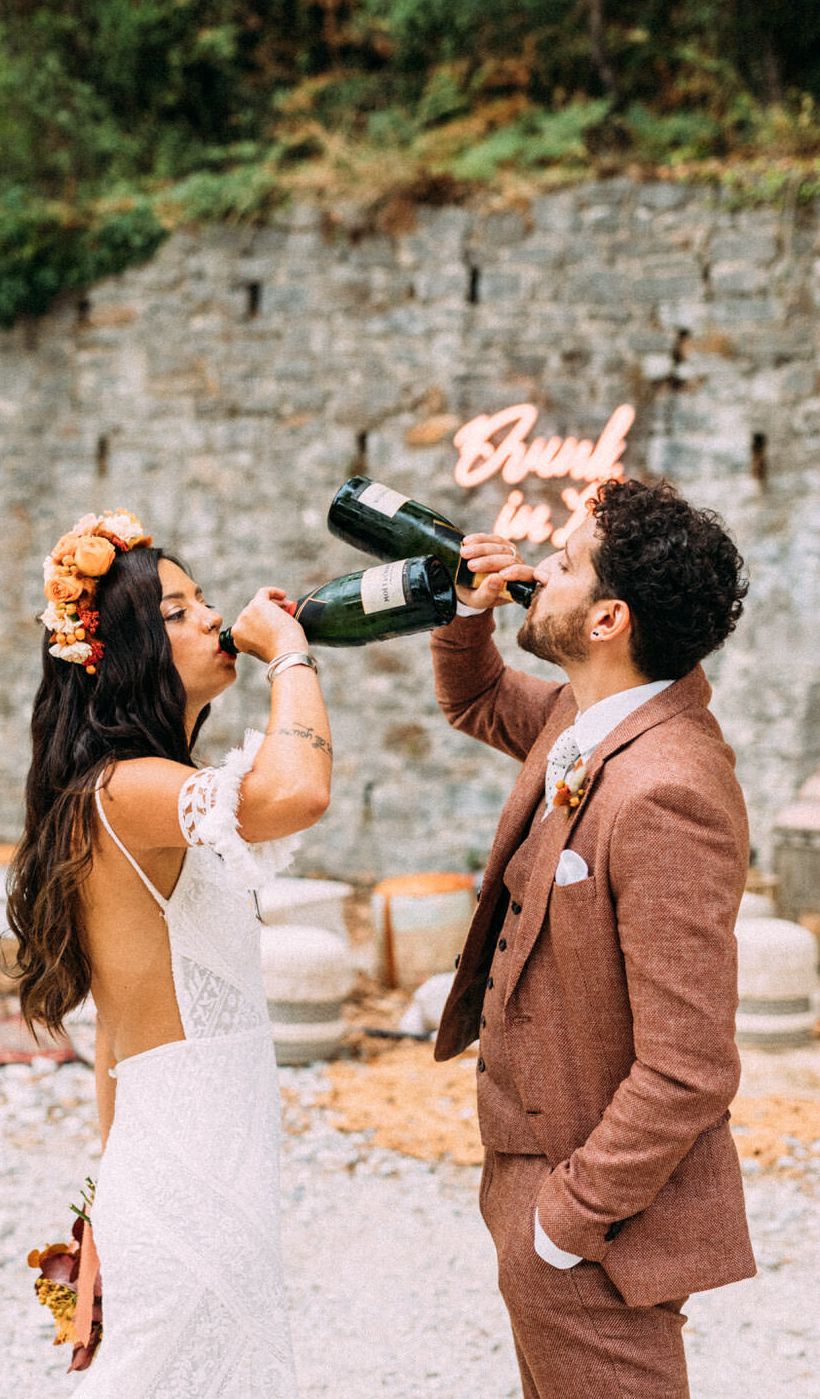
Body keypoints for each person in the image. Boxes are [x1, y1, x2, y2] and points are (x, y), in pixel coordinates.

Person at [430, 478, 755, 1398]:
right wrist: (466, 611)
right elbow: (477, 700)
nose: (538, 570)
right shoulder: (591, 713)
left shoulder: (667, 791)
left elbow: (689, 1065)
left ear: (608, 618)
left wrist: (563, 1222)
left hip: (595, 1231)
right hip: (532, 1183)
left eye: (564, 564)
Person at [7, 508, 332, 1396]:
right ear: (134, 652)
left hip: (190, 1162)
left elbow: (112, 1037)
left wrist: (107, 1209)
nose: (211, 620)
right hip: (194, 1168)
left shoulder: (140, 791)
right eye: (180, 611)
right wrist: (291, 655)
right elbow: (299, 790)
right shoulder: (127, 789)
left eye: (201, 603)